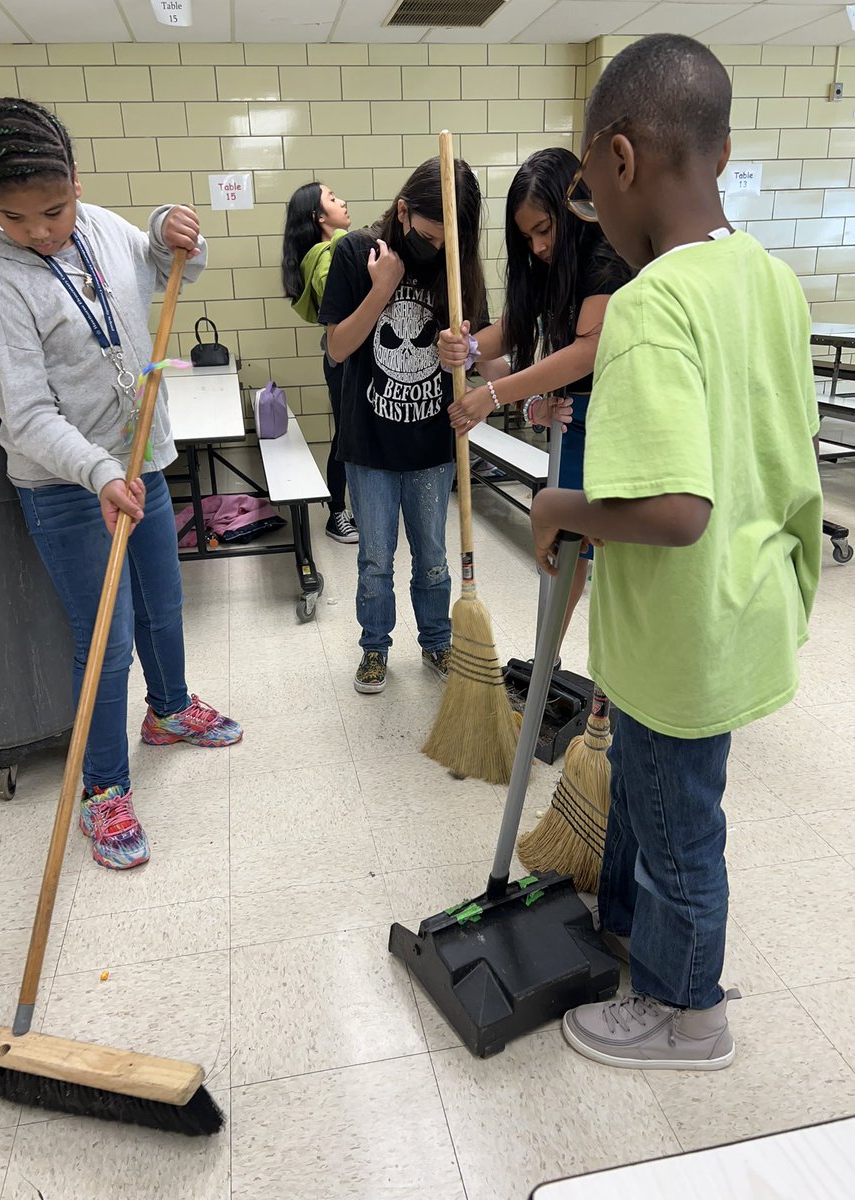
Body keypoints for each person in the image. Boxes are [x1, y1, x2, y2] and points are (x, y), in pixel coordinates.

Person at [530, 35, 822, 1069]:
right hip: (745, 610)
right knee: (671, 804)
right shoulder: (769, 280)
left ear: (618, 160)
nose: (592, 219)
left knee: (674, 828)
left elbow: (671, 510)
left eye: (586, 192)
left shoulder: (652, 305)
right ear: (724, 147)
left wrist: (562, 500)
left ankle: (683, 1009)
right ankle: (633, 935)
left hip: (681, 638)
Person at [0, 98, 243, 872]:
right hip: (63, 483)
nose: (40, 231)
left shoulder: (98, 225)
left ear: (76, 183)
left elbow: (164, 265)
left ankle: (171, 711)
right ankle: (104, 790)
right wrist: (97, 472)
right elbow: (27, 415)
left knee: (165, 602)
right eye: (15, 218)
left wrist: (168, 230)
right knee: (105, 640)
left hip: (138, 457)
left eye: (52, 209)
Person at [319, 156, 499, 694]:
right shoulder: (356, 252)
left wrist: (465, 352)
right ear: (403, 212)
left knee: (434, 560)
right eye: (427, 236)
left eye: (448, 241)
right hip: (369, 444)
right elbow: (336, 348)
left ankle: (437, 641)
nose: (436, 249)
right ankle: (374, 649)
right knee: (375, 559)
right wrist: (382, 289)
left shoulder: (457, 268)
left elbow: (489, 357)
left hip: (432, 442)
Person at [439, 147, 631, 641]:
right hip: (572, 421)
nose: (538, 246)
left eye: (544, 229)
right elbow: (517, 325)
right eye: (527, 237)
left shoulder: (606, 253)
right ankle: (549, 664)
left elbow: (588, 351)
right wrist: (473, 344)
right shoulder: (548, 264)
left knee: (620, 555)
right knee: (568, 550)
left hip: (620, 425)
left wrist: (494, 395)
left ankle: (608, 691)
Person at [282, 181, 357, 544]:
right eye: (332, 198)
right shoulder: (326, 253)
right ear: (319, 217)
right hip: (343, 362)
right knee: (346, 436)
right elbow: (337, 300)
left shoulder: (333, 249)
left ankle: (352, 508)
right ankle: (337, 514)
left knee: (354, 434)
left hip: (349, 359)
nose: (342, 201)